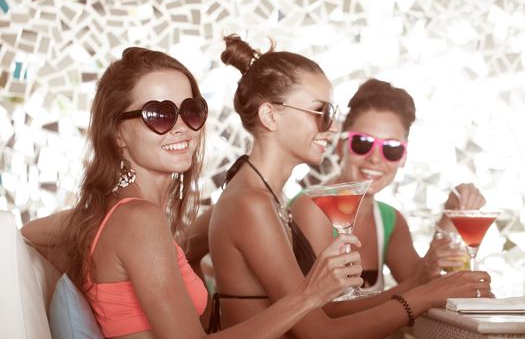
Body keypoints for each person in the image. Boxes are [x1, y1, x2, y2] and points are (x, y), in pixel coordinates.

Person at [21, 46, 365, 339]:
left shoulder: (114, 215)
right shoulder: (138, 218)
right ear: (117, 134)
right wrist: (308, 295)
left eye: (191, 111)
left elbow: (24, 234)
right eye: (158, 114)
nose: (181, 127)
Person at [209, 34, 492, 338]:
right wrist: (422, 295)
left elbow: (317, 313)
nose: (331, 127)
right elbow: (319, 331)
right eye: (321, 112)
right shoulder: (253, 202)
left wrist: (425, 285)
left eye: (331, 114)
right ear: (270, 115)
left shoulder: (265, 198)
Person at [290, 79, 487, 296]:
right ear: (340, 146)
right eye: (362, 143)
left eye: (391, 148)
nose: (375, 159)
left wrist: (450, 216)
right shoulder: (313, 207)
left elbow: (423, 283)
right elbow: (323, 315)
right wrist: (421, 282)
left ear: (403, 158)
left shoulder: (390, 220)